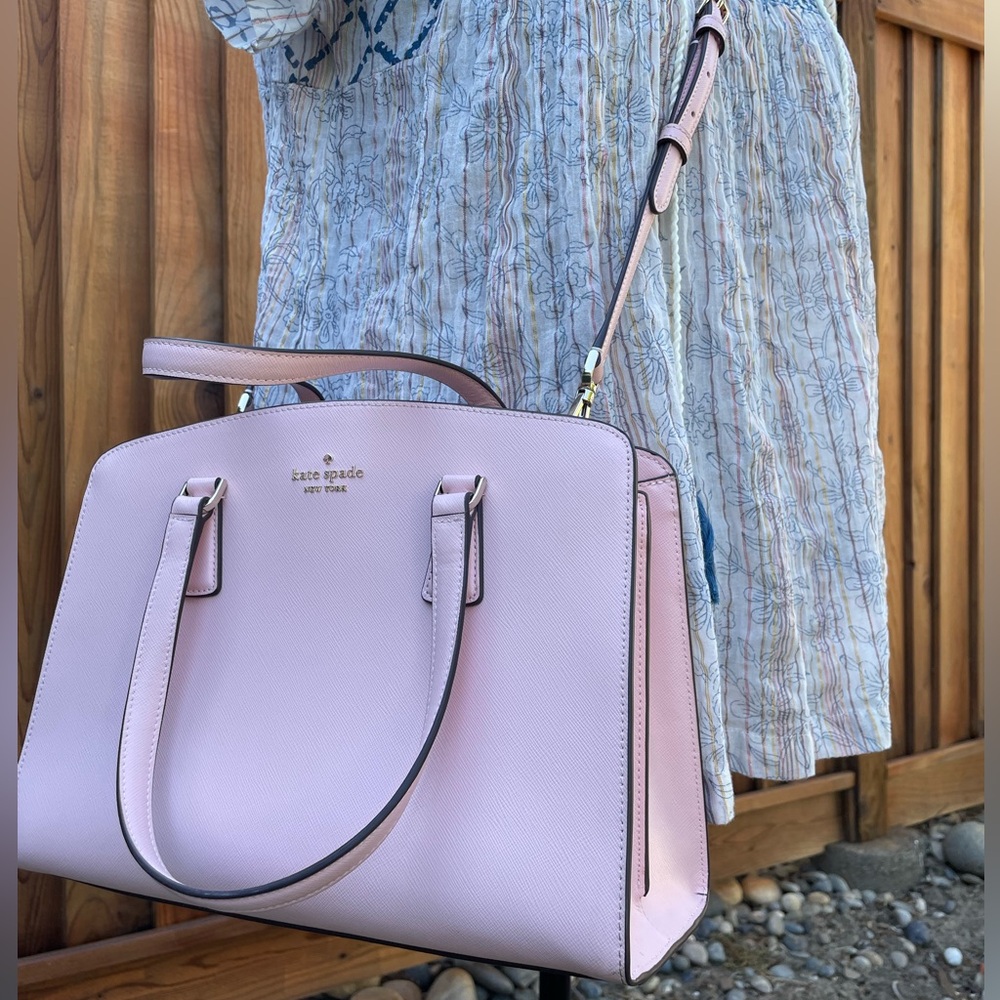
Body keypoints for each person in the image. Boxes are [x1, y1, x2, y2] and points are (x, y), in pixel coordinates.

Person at [200, 0, 890, 824]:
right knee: (476, 574)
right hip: (476, 255)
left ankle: (554, 860)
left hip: (694, 161)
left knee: (624, 567)